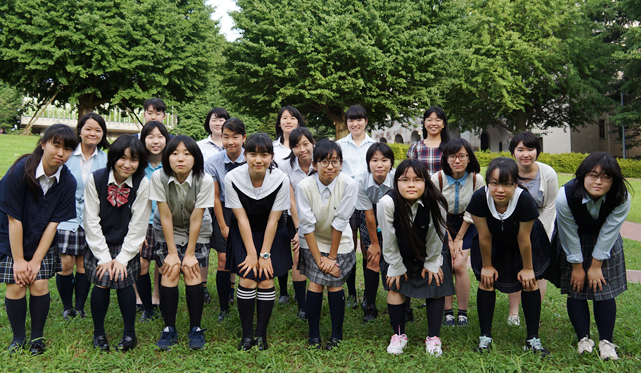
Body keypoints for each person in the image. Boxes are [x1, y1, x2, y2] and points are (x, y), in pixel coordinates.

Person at [0, 124, 78, 355]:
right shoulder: (20, 171)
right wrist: (19, 261)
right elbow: (14, 219)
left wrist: (35, 261)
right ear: (43, 144)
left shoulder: (67, 181)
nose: (61, 153)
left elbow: (54, 224)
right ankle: (18, 338)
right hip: (11, 236)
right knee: (16, 285)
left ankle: (37, 338)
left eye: (67, 149)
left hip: (42, 239)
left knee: (40, 283)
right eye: (56, 145)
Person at [466, 157, 551, 356]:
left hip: (524, 243)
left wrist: (528, 269)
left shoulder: (524, 199)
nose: (500, 190)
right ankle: (485, 337)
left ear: (515, 183)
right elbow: (484, 237)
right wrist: (487, 266)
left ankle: (533, 338)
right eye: (494, 183)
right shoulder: (479, 198)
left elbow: (524, 238)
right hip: (493, 243)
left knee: (530, 282)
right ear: (488, 183)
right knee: (486, 281)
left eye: (507, 184)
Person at [556, 152, 631, 360]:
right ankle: (584, 339)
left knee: (604, 289)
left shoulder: (621, 196)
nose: (599, 181)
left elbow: (609, 232)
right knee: (576, 288)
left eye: (606, 177)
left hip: (605, 241)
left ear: (614, 179)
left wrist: (596, 265)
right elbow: (568, 232)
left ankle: (606, 341)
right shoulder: (565, 195)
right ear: (582, 175)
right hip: (574, 239)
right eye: (593, 175)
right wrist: (577, 267)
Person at [379, 159, 454, 356]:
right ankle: (398, 335)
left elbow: (436, 236)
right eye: (404, 180)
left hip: (431, 250)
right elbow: (388, 239)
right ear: (396, 182)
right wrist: (396, 266)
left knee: (435, 283)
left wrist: (431, 263)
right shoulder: (387, 203)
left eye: (417, 179)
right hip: (398, 251)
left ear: (426, 182)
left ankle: (433, 337)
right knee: (395, 286)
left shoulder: (437, 202)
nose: (411, 184)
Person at [225, 133, 292, 351]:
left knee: (264, 279)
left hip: (271, 233)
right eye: (253, 154)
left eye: (264, 155)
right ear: (245, 155)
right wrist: (252, 254)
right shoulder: (232, 178)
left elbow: (274, 219)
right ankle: (246, 335)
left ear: (272, 157)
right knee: (246, 279)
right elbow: (241, 218)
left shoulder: (281, 179)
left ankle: (261, 334)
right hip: (244, 232)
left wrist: (264, 255)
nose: (258, 160)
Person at [83, 135, 151, 352]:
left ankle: (130, 334)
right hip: (99, 242)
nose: (128, 164)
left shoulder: (143, 182)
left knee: (124, 281)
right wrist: (104, 257)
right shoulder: (96, 178)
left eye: (134, 159)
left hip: (127, 243)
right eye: (122, 158)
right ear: (113, 157)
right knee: (102, 280)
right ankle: (98, 333)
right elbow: (90, 220)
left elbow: (139, 224)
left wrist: (122, 258)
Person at [150, 135, 214, 351]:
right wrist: (171, 252)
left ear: (195, 158)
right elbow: (165, 216)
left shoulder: (205, 180)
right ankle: (169, 329)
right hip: (167, 228)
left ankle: (195, 328)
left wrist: (189, 254)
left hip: (198, 228)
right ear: (167, 157)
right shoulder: (158, 178)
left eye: (187, 153)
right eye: (175, 153)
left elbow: (197, 218)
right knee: (170, 270)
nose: (180, 158)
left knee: (191, 270)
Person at [296, 140, 358, 350]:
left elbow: (341, 221)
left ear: (341, 163)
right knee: (314, 283)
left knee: (334, 282)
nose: (329, 166)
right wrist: (319, 258)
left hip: (339, 242)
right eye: (324, 161)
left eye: (334, 161)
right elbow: (306, 225)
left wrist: (330, 258)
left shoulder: (349, 184)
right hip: (312, 240)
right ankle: (314, 334)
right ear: (314, 164)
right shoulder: (304, 186)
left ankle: (336, 335)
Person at [56, 113, 109, 320]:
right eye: (88, 129)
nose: (92, 133)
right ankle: (67, 306)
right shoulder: (67, 154)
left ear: (102, 133)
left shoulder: (106, 159)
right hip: (66, 217)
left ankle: (79, 307)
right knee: (66, 263)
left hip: (92, 219)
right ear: (79, 131)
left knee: (83, 264)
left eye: (97, 130)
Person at [431, 138, 485, 327]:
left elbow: (473, 211)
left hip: (467, 223)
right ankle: (447, 312)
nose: (457, 160)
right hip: (442, 223)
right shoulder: (437, 178)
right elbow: (436, 210)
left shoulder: (477, 179)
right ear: (446, 159)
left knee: (459, 265)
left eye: (462, 156)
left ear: (469, 158)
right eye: (452, 156)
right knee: (446, 264)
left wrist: (459, 237)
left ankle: (462, 312)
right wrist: (449, 239)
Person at [507, 132, 557, 326]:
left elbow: (550, 206)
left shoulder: (548, 173)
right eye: (520, 150)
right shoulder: (508, 171)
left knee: (539, 269)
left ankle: (536, 306)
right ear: (513, 153)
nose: (525, 154)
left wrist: (539, 235)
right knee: (515, 265)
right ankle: (513, 312)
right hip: (513, 224)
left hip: (540, 224)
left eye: (530, 149)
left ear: (537, 151)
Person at [204, 118, 246, 322]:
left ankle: (245, 299)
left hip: (248, 210)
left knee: (247, 257)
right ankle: (223, 307)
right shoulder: (213, 162)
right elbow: (214, 197)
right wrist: (222, 225)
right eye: (226, 137)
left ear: (243, 138)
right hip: (224, 210)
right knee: (223, 260)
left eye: (235, 137)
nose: (230, 142)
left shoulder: (251, 157)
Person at [336, 105, 376, 310]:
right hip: (346, 200)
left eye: (359, 119)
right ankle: (351, 292)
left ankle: (369, 295)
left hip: (369, 200)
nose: (355, 123)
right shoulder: (339, 145)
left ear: (366, 121)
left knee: (367, 247)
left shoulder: (374, 145)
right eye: (351, 120)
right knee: (348, 246)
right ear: (347, 123)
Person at [276, 127, 316, 320]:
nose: (302, 149)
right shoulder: (285, 166)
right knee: (298, 256)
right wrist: (300, 230)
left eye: (305, 144)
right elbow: (291, 201)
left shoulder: (322, 162)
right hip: (295, 217)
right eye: (296, 146)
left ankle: (317, 297)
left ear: (313, 143)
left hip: (319, 217)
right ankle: (303, 305)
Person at [355, 143, 396, 322]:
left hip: (396, 215)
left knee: (397, 258)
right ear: (368, 163)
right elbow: (369, 214)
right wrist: (375, 244)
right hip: (370, 213)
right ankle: (370, 305)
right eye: (374, 160)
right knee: (373, 259)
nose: (379, 165)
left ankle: (404, 305)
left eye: (384, 160)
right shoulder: (361, 181)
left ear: (391, 163)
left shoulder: (398, 178)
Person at [136, 120, 171, 322]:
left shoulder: (171, 164)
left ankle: (157, 297)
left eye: (160, 137)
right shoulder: (138, 166)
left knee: (162, 263)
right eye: (150, 137)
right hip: (143, 222)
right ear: (143, 140)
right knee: (141, 263)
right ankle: (144, 304)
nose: (155, 141)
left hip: (165, 221)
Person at [197, 107, 232, 305]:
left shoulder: (234, 145)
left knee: (226, 250)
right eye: (214, 119)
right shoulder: (199, 146)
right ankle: (202, 287)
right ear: (208, 123)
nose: (218, 123)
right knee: (203, 245)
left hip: (227, 204)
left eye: (222, 119)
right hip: (203, 201)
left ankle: (231, 289)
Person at [273, 106, 306, 304]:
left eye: (292, 118)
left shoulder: (306, 145)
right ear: (279, 123)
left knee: (297, 250)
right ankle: (284, 291)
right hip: (280, 206)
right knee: (282, 248)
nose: (288, 121)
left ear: (298, 122)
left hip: (301, 208)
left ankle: (301, 295)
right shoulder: (272, 147)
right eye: (284, 118)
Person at [406, 106, 452, 176]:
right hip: (422, 186)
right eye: (429, 120)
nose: (433, 123)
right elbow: (411, 173)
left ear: (443, 124)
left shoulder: (450, 147)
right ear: (424, 123)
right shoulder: (415, 147)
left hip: (445, 186)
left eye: (438, 120)